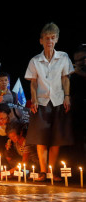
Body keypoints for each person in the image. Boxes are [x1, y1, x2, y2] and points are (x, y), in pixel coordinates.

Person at [25, 22, 74, 182]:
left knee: (56, 138)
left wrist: (67, 96)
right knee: (41, 138)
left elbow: (65, 78)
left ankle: (51, 171)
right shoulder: (35, 60)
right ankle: (43, 171)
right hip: (41, 101)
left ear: (57, 39)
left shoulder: (64, 57)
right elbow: (33, 82)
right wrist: (33, 99)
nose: (50, 41)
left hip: (59, 100)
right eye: (47, 38)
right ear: (41, 40)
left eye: (53, 38)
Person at [68, 44, 86, 165]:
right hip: (78, 114)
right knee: (79, 142)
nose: (80, 62)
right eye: (77, 60)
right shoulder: (74, 75)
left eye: (82, 59)